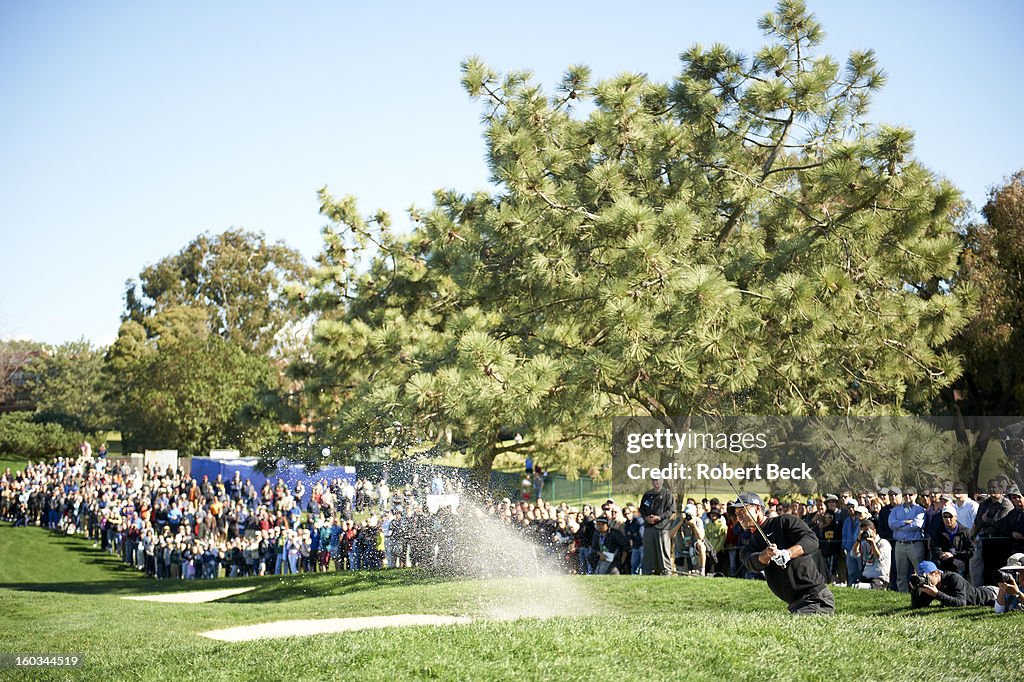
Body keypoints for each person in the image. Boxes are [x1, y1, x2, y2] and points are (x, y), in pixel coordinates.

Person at [733, 492, 834, 614]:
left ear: (757, 508)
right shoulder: (750, 545)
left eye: (742, 511)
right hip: (795, 605)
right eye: (736, 513)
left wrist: (786, 554)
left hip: (815, 598)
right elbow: (752, 563)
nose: (738, 516)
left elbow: (811, 540)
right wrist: (767, 554)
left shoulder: (784, 521)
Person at [910, 560, 997, 608]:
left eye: (925, 576)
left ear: (936, 573)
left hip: (991, 594)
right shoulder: (931, 584)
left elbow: (961, 603)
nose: (924, 580)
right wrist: (914, 590)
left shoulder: (953, 578)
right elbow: (918, 606)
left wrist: (937, 594)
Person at [888, 487, 926, 593]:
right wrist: (905, 522)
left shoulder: (920, 509)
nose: (907, 497)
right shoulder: (896, 510)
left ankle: (922, 593)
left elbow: (917, 524)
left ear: (915, 495)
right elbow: (891, 524)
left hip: (915, 544)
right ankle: (902, 594)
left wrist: (899, 525)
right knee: (901, 574)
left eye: (910, 494)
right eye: (905, 495)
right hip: (900, 544)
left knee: (920, 572)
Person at [638, 478, 675, 576]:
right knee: (648, 551)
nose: (656, 482)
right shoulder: (647, 494)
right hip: (649, 527)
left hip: (662, 527)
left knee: (663, 551)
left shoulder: (667, 494)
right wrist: (646, 518)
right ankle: (648, 572)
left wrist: (659, 517)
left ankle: (666, 571)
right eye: (653, 481)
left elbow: (671, 510)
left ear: (662, 481)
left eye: (657, 480)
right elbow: (642, 508)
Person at [850, 520, 890, 589]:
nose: (866, 533)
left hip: (879, 578)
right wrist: (858, 540)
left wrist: (873, 543)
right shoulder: (864, 543)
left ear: (874, 531)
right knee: (855, 587)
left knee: (864, 587)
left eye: (867, 531)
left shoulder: (884, 543)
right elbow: (853, 554)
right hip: (866, 576)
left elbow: (879, 557)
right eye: (863, 531)